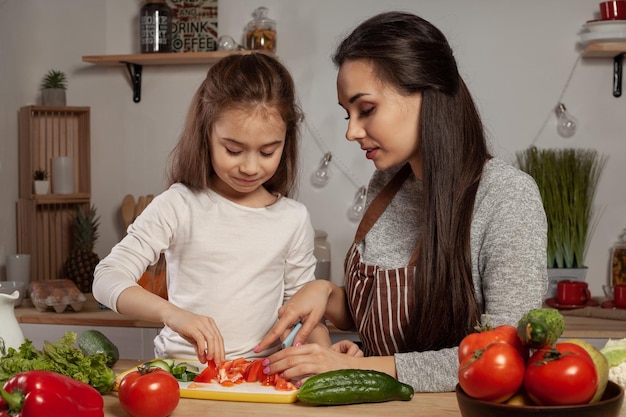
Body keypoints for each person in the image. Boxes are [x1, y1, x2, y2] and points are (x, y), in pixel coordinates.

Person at [255, 11, 548, 392]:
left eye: (367, 110)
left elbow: (507, 355)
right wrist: (327, 294)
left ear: (426, 92)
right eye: (348, 114)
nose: (351, 131)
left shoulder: (508, 197)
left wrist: (351, 367)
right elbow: (383, 319)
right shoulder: (388, 182)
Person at [93, 53, 331, 365]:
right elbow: (107, 278)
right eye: (233, 150)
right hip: (181, 375)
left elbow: (301, 311)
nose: (249, 166)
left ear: (286, 142)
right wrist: (173, 314)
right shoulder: (179, 204)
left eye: (267, 151)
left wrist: (324, 349)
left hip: (258, 379)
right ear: (206, 134)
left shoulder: (293, 218)